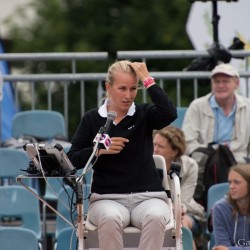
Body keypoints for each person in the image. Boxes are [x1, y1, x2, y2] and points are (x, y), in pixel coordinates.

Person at [67, 60, 177, 250]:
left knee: (156, 216)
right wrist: (99, 151)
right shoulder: (92, 118)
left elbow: (169, 113)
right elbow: (72, 159)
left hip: (148, 196)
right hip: (106, 198)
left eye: (134, 89)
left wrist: (148, 80)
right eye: (122, 88)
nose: (128, 96)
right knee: (109, 218)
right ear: (108, 87)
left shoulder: (144, 113)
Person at [182, 63, 250, 163]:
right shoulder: (197, 106)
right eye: (216, 81)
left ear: (237, 83)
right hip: (205, 163)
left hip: (239, 164)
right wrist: (214, 150)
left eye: (225, 81)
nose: (220, 85)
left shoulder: (248, 106)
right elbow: (187, 142)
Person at [153, 126, 206, 250]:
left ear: (175, 151)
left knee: (181, 225)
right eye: (154, 145)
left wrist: (174, 210)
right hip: (155, 210)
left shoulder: (190, 165)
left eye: (160, 146)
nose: (155, 150)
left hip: (185, 210)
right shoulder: (148, 162)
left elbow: (184, 199)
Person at [212, 164, 250, 250]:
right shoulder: (220, 208)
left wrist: (231, 249)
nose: (231, 187)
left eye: (236, 182)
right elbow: (222, 247)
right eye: (230, 182)